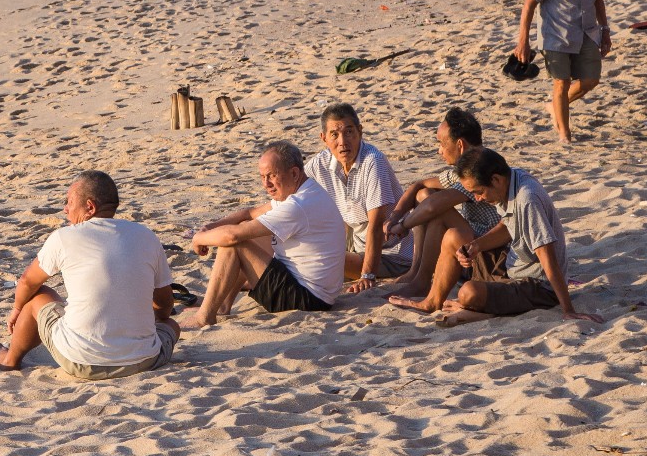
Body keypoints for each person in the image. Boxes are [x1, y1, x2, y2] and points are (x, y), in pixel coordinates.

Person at [0, 172, 176, 380]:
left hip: (80, 361)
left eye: (69, 202)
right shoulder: (146, 236)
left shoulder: (64, 237)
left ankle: (10, 359)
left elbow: (26, 281)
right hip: (144, 361)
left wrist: (16, 310)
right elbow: (165, 304)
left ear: (90, 207)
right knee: (171, 326)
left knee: (37, 295)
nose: (65, 209)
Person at [390, 147, 600, 325]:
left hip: (538, 286)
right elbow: (507, 227)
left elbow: (547, 255)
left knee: (468, 293)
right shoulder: (510, 179)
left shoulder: (527, 199)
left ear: (496, 180)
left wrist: (568, 309)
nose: (477, 199)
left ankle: (478, 311)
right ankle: (432, 302)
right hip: (512, 267)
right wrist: (477, 246)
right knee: (454, 237)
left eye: (479, 192)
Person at [179, 141, 346, 327]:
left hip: (308, 300)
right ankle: (223, 305)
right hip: (315, 293)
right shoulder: (304, 191)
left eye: (272, 176)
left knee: (236, 244)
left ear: (294, 173)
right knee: (249, 229)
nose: (266, 184)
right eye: (263, 177)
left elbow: (232, 236)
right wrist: (209, 227)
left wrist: (198, 238)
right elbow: (249, 214)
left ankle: (205, 316)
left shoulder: (298, 205)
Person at [379, 107, 504, 297]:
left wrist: (402, 226)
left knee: (438, 212)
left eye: (442, 143)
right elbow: (418, 185)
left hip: (492, 246)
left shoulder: (479, 168)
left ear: (460, 145)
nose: (439, 150)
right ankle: (416, 271)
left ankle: (422, 280)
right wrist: (395, 216)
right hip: (475, 241)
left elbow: (433, 207)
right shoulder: (464, 167)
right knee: (424, 194)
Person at [515, 0, 611, 143]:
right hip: (556, 37)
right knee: (561, 83)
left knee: (591, 80)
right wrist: (523, 41)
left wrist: (605, 31)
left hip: (586, 32)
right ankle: (564, 135)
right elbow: (529, 3)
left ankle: (555, 107)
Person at [304, 103, 408, 292]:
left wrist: (368, 275)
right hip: (354, 245)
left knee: (317, 259)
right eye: (334, 134)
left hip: (390, 253)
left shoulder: (373, 161)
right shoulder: (321, 163)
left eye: (349, 132)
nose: (343, 141)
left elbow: (376, 225)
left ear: (360, 132)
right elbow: (292, 194)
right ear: (324, 138)